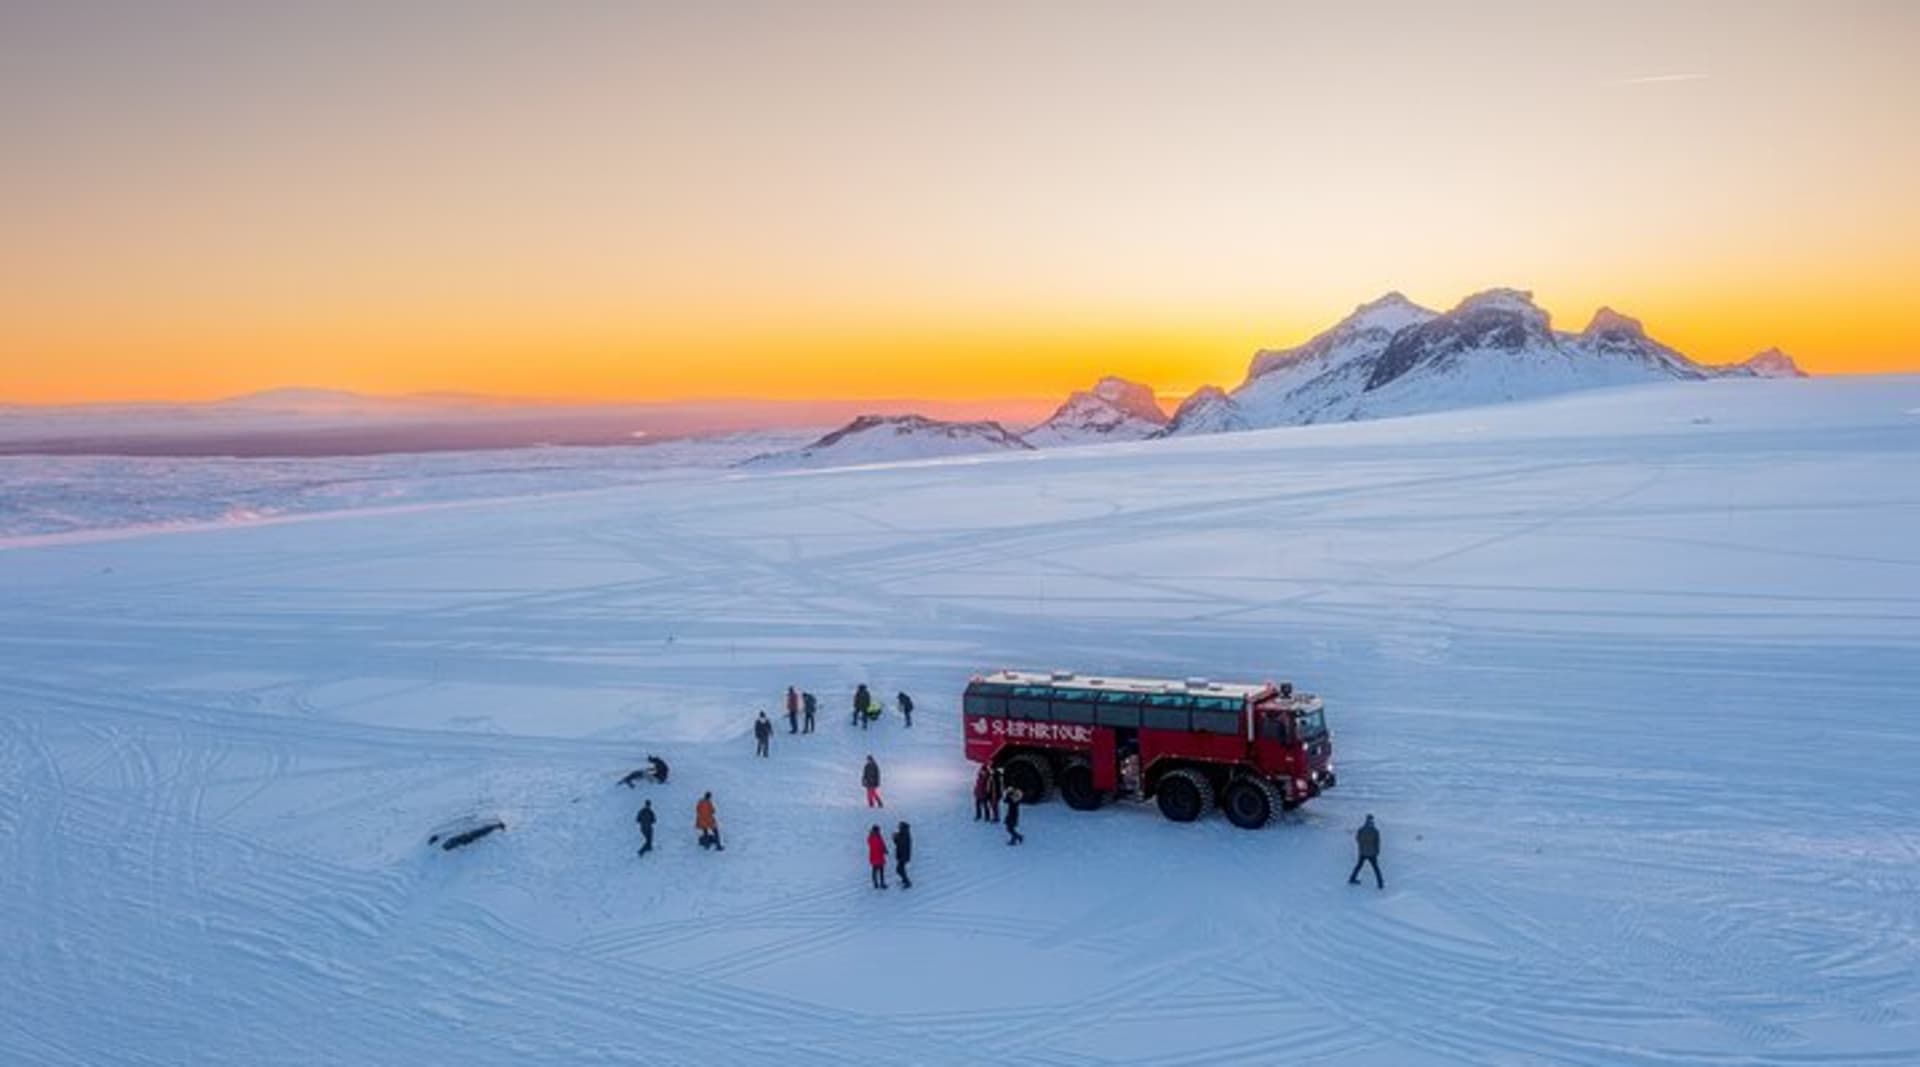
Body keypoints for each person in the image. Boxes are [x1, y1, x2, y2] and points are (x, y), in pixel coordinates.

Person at [1348, 814, 1383, 889]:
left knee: (1358, 866)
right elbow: (1377, 842)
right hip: (1372, 853)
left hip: (1362, 852)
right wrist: (1377, 851)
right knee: (1376, 868)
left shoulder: (1361, 829)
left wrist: (1362, 847)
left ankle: (1352, 879)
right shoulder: (1375, 831)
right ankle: (1380, 883)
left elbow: (1357, 839)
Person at [892, 821, 913, 889]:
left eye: (900, 827)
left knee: (899, 869)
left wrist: (895, 837)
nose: (899, 828)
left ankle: (907, 882)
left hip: (903, 856)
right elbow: (897, 843)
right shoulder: (903, 833)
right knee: (901, 869)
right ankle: (905, 880)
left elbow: (900, 843)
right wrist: (895, 837)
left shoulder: (905, 834)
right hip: (902, 855)